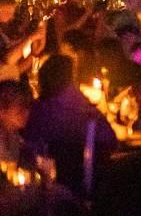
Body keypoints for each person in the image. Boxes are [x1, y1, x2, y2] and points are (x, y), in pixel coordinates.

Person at [22, 53, 118, 193]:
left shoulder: (39, 110)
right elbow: (110, 140)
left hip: (52, 185)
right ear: (70, 78)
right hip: (93, 184)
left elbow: (31, 149)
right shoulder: (86, 109)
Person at [0, 79, 31, 163]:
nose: (27, 112)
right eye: (20, 107)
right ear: (2, 111)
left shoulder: (14, 133)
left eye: (27, 106)